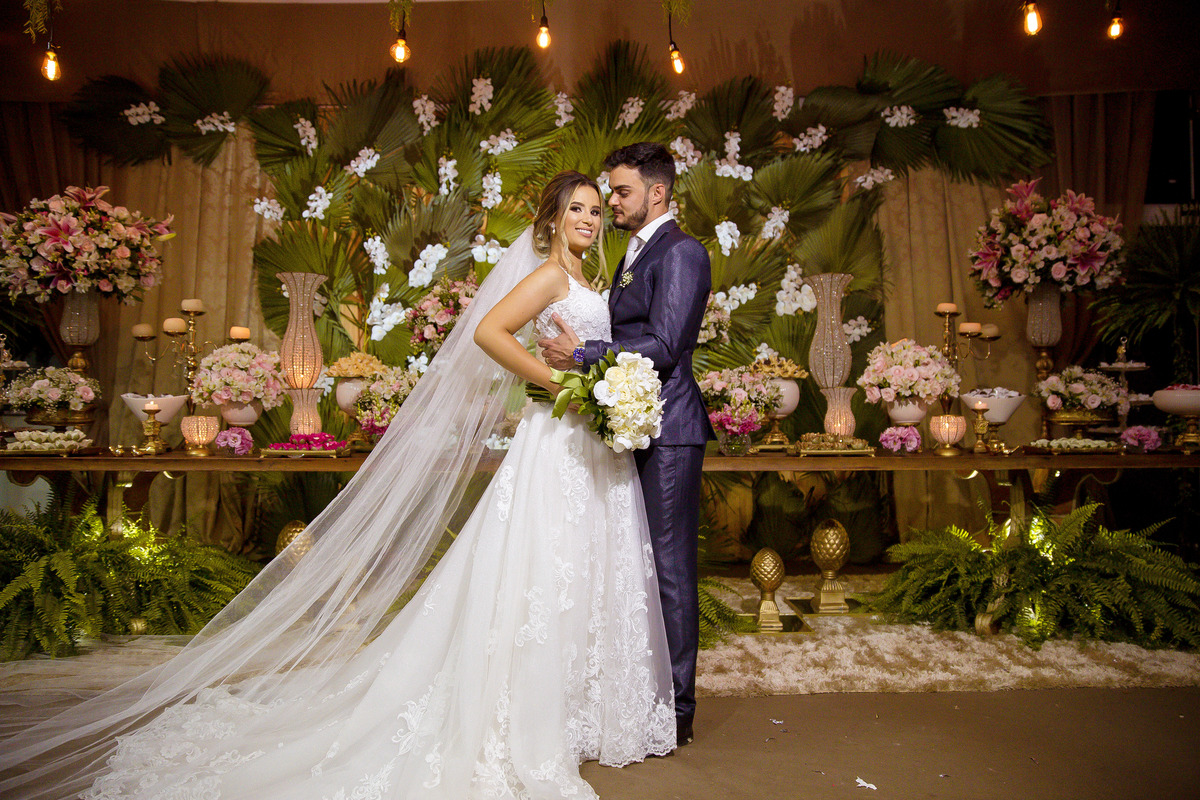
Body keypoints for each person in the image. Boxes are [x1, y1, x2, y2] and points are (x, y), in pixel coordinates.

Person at [0, 171, 675, 799]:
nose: (589, 218)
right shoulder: (552, 276)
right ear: (552, 221)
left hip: (589, 440)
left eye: (595, 209)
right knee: (541, 568)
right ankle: (524, 714)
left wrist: (606, 390)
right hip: (553, 440)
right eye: (576, 209)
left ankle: (574, 709)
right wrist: (558, 381)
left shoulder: (593, 276)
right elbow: (490, 333)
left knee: (578, 569)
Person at [539, 143, 713, 747]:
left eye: (620, 191)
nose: (610, 202)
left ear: (656, 194)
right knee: (633, 568)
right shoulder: (637, 254)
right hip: (631, 425)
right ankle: (637, 694)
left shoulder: (683, 253)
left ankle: (678, 711)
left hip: (669, 432)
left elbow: (665, 346)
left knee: (667, 570)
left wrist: (582, 356)